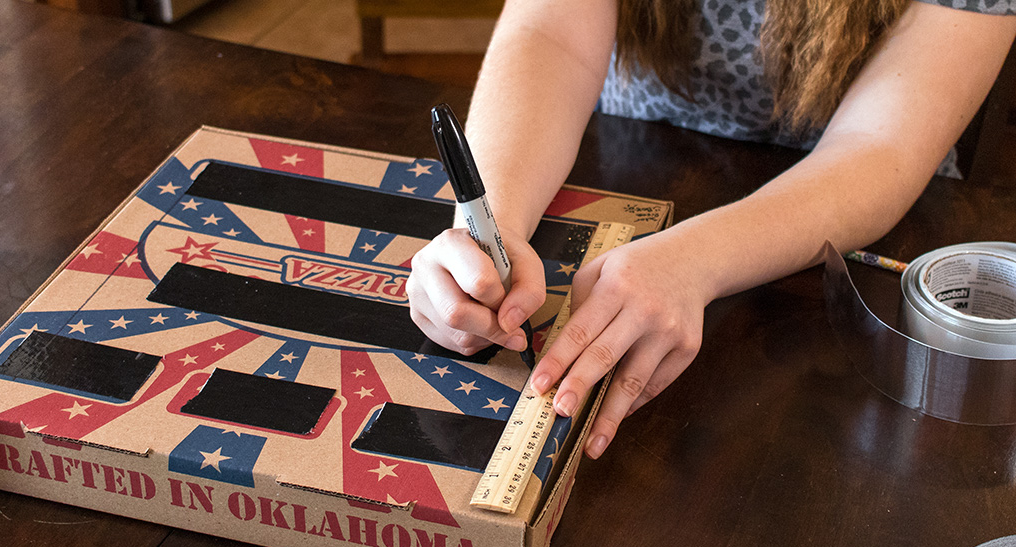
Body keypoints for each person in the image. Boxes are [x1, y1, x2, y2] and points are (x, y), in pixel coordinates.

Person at [405, 0, 1016, 460]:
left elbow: (880, 146)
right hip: (632, 159)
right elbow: (551, 36)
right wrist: (492, 227)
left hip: (851, 222)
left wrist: (692, 261)